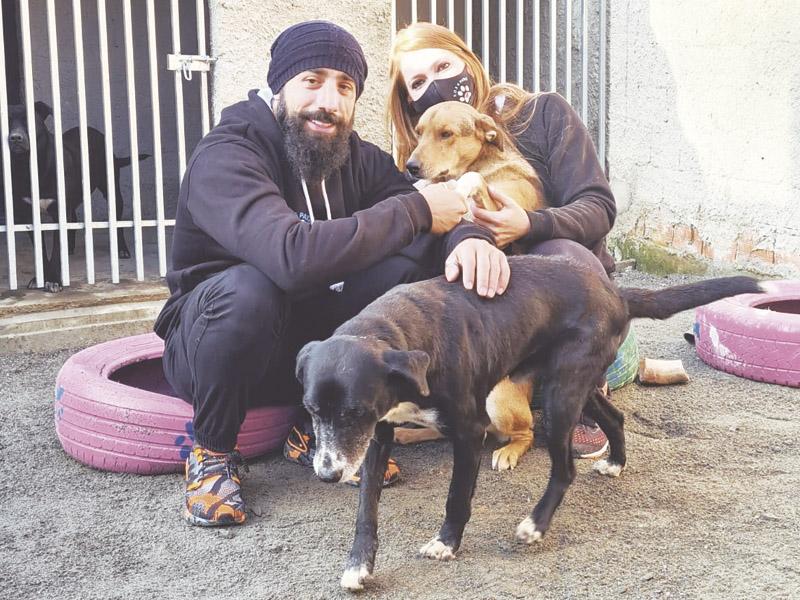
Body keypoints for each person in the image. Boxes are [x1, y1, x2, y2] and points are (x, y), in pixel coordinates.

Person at [153, 21, 510, 527]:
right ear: (280, 85)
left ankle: (310, 428)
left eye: (345, 87)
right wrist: (418, 213)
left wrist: (469, 238)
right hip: (214, 346)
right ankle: (211, 454)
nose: (329, 100)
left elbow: (423, 209)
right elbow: (289, 257)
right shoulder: (229, 151)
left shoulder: (351, 155)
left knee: (404, 258)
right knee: (250, 288)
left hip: (303, 354)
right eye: (312, 80)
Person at [387, 22, 628, 459]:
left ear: (468, 61)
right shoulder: (428, 168)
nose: (436, 84)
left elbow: (598, 206)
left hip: (568, 291)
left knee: (562, 257)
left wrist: (530, 224)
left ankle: (585, 397)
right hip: (500, 317)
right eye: (418, 82)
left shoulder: (542, 115)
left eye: (444, 65)